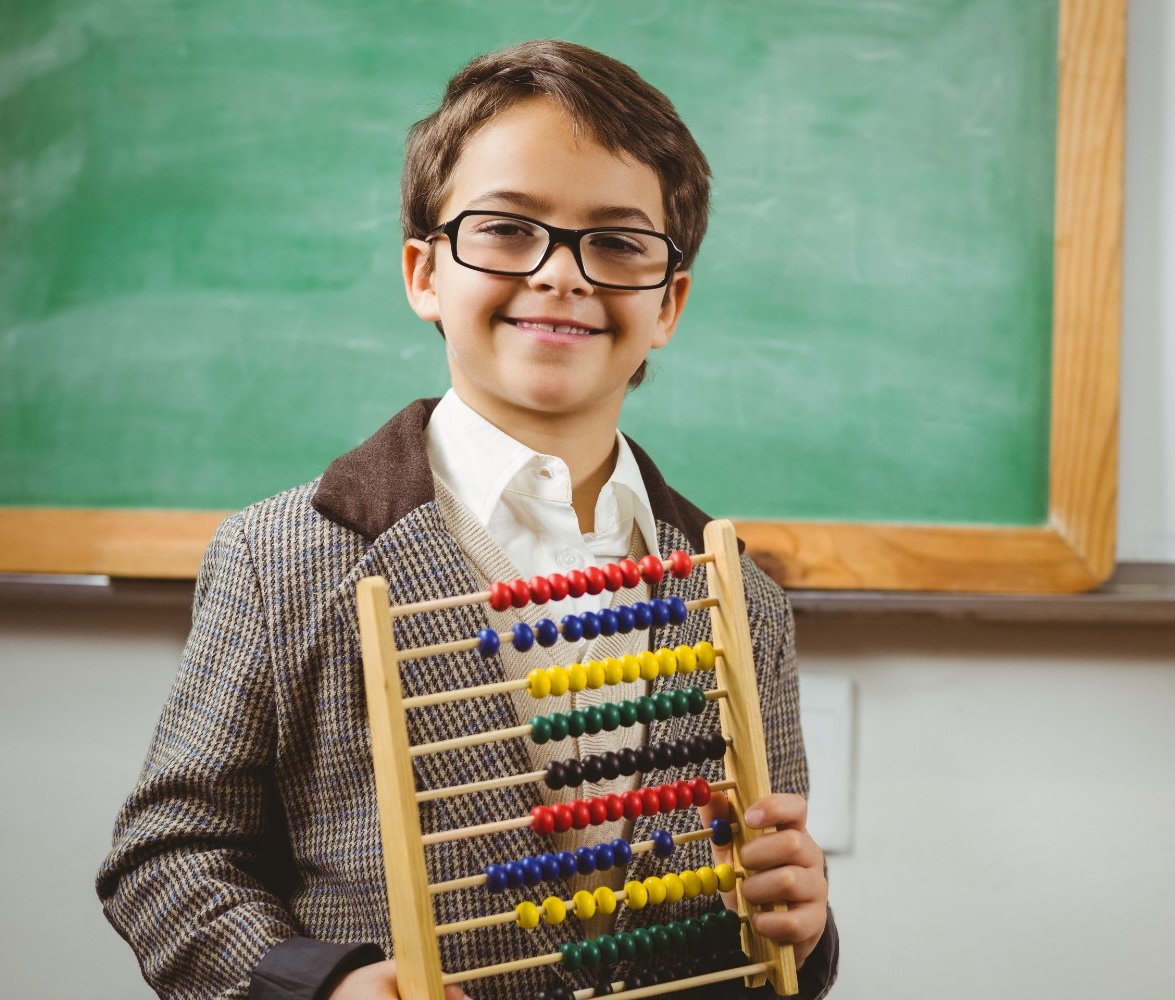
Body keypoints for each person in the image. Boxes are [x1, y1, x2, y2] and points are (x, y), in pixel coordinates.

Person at [97, 40, 837, 1000]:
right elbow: (167, 860)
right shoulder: (282, 559)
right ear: (423, 274)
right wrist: (325, 987)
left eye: (617, 242)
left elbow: (760, 899)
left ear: (668, 305)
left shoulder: (736, 601)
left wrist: (801, 929)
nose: (560, 276)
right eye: (505, 230)